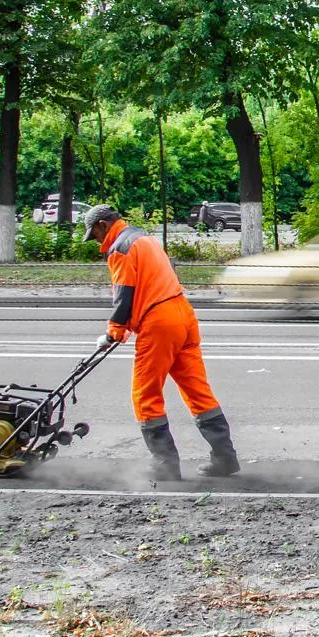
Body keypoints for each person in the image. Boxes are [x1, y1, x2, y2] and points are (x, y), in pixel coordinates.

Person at [83, 205, 239, 480]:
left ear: (103, 225)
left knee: (145, 394)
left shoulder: (120, 248)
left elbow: (124, 292)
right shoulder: (144, 238)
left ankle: (165, 465)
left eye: (94, 233)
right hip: (183, 314)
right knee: (197, 391)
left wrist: (115, 331)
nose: (95, 239)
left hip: (159, 322)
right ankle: (225, 458)